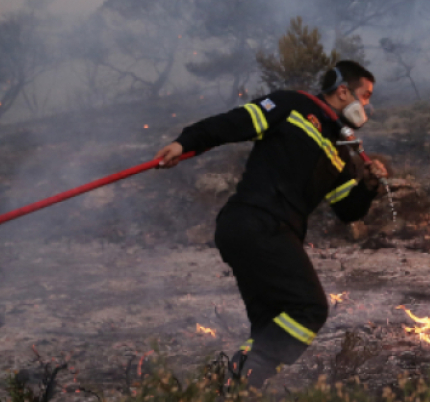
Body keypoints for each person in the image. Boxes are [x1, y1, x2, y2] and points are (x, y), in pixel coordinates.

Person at [154, 60, 387, 391]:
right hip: (255, 221)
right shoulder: (294, 104)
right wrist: (185, 142)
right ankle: (241, 377)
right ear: (343, 90)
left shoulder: (342, 149)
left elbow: (348, 211)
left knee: (270, 327)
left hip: (271, 231)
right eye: (364, 96)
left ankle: (237, 387)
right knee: (310, 308)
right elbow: (234, 123)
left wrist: (369, 185)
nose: (366, 106)